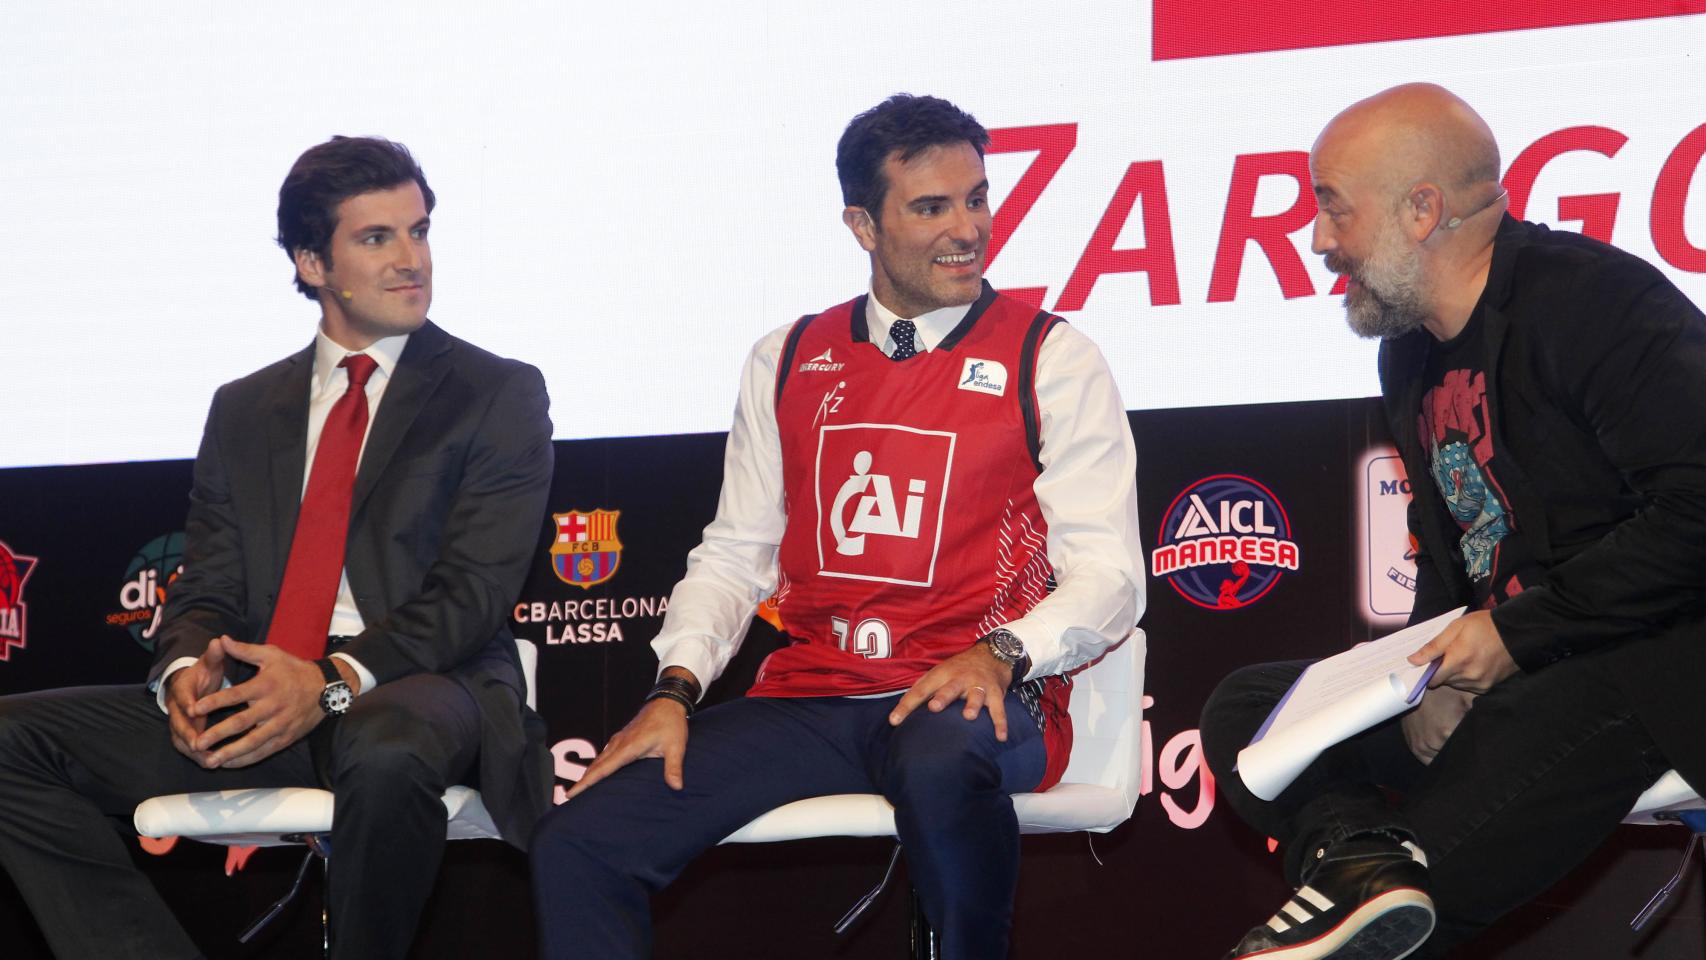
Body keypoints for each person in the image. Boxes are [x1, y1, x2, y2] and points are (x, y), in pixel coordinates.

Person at [530, 94, 1143, 959]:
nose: (967, 228)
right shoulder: (786, 357)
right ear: (862, 223)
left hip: (975, 692)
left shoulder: (1052, 354)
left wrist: (1000, 653)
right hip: (813, 700)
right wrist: (673, 691)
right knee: (582, 840)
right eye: (931, 207)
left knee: (937, 765)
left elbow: (1110, 574)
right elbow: (737, 555)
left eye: (977, 198)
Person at [0, 136, 554, 960]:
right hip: (266, 691)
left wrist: (329, 682)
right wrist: (185, 675)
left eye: (421, 230)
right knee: (9, 741)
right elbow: (209, 585)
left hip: (416, 685)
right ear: (311, 263)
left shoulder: (496, 391)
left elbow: (471, 594)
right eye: (378, 238)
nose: (413, 260)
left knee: (388, 745)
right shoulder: (243, 408)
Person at [1200, 82, 1706, 959]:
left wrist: (1510, 637)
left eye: (1333, 209)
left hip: (1645, 669)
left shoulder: (1591, 301)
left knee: (1410, 914)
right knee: (1249, 708)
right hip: (1518, 673)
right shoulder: (1410, 350)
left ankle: (1379, 894)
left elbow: (1699, 510)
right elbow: (1464, 551)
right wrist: (1426, 671)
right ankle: (1366, 869)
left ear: (1422, 209)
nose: (1319, 241)